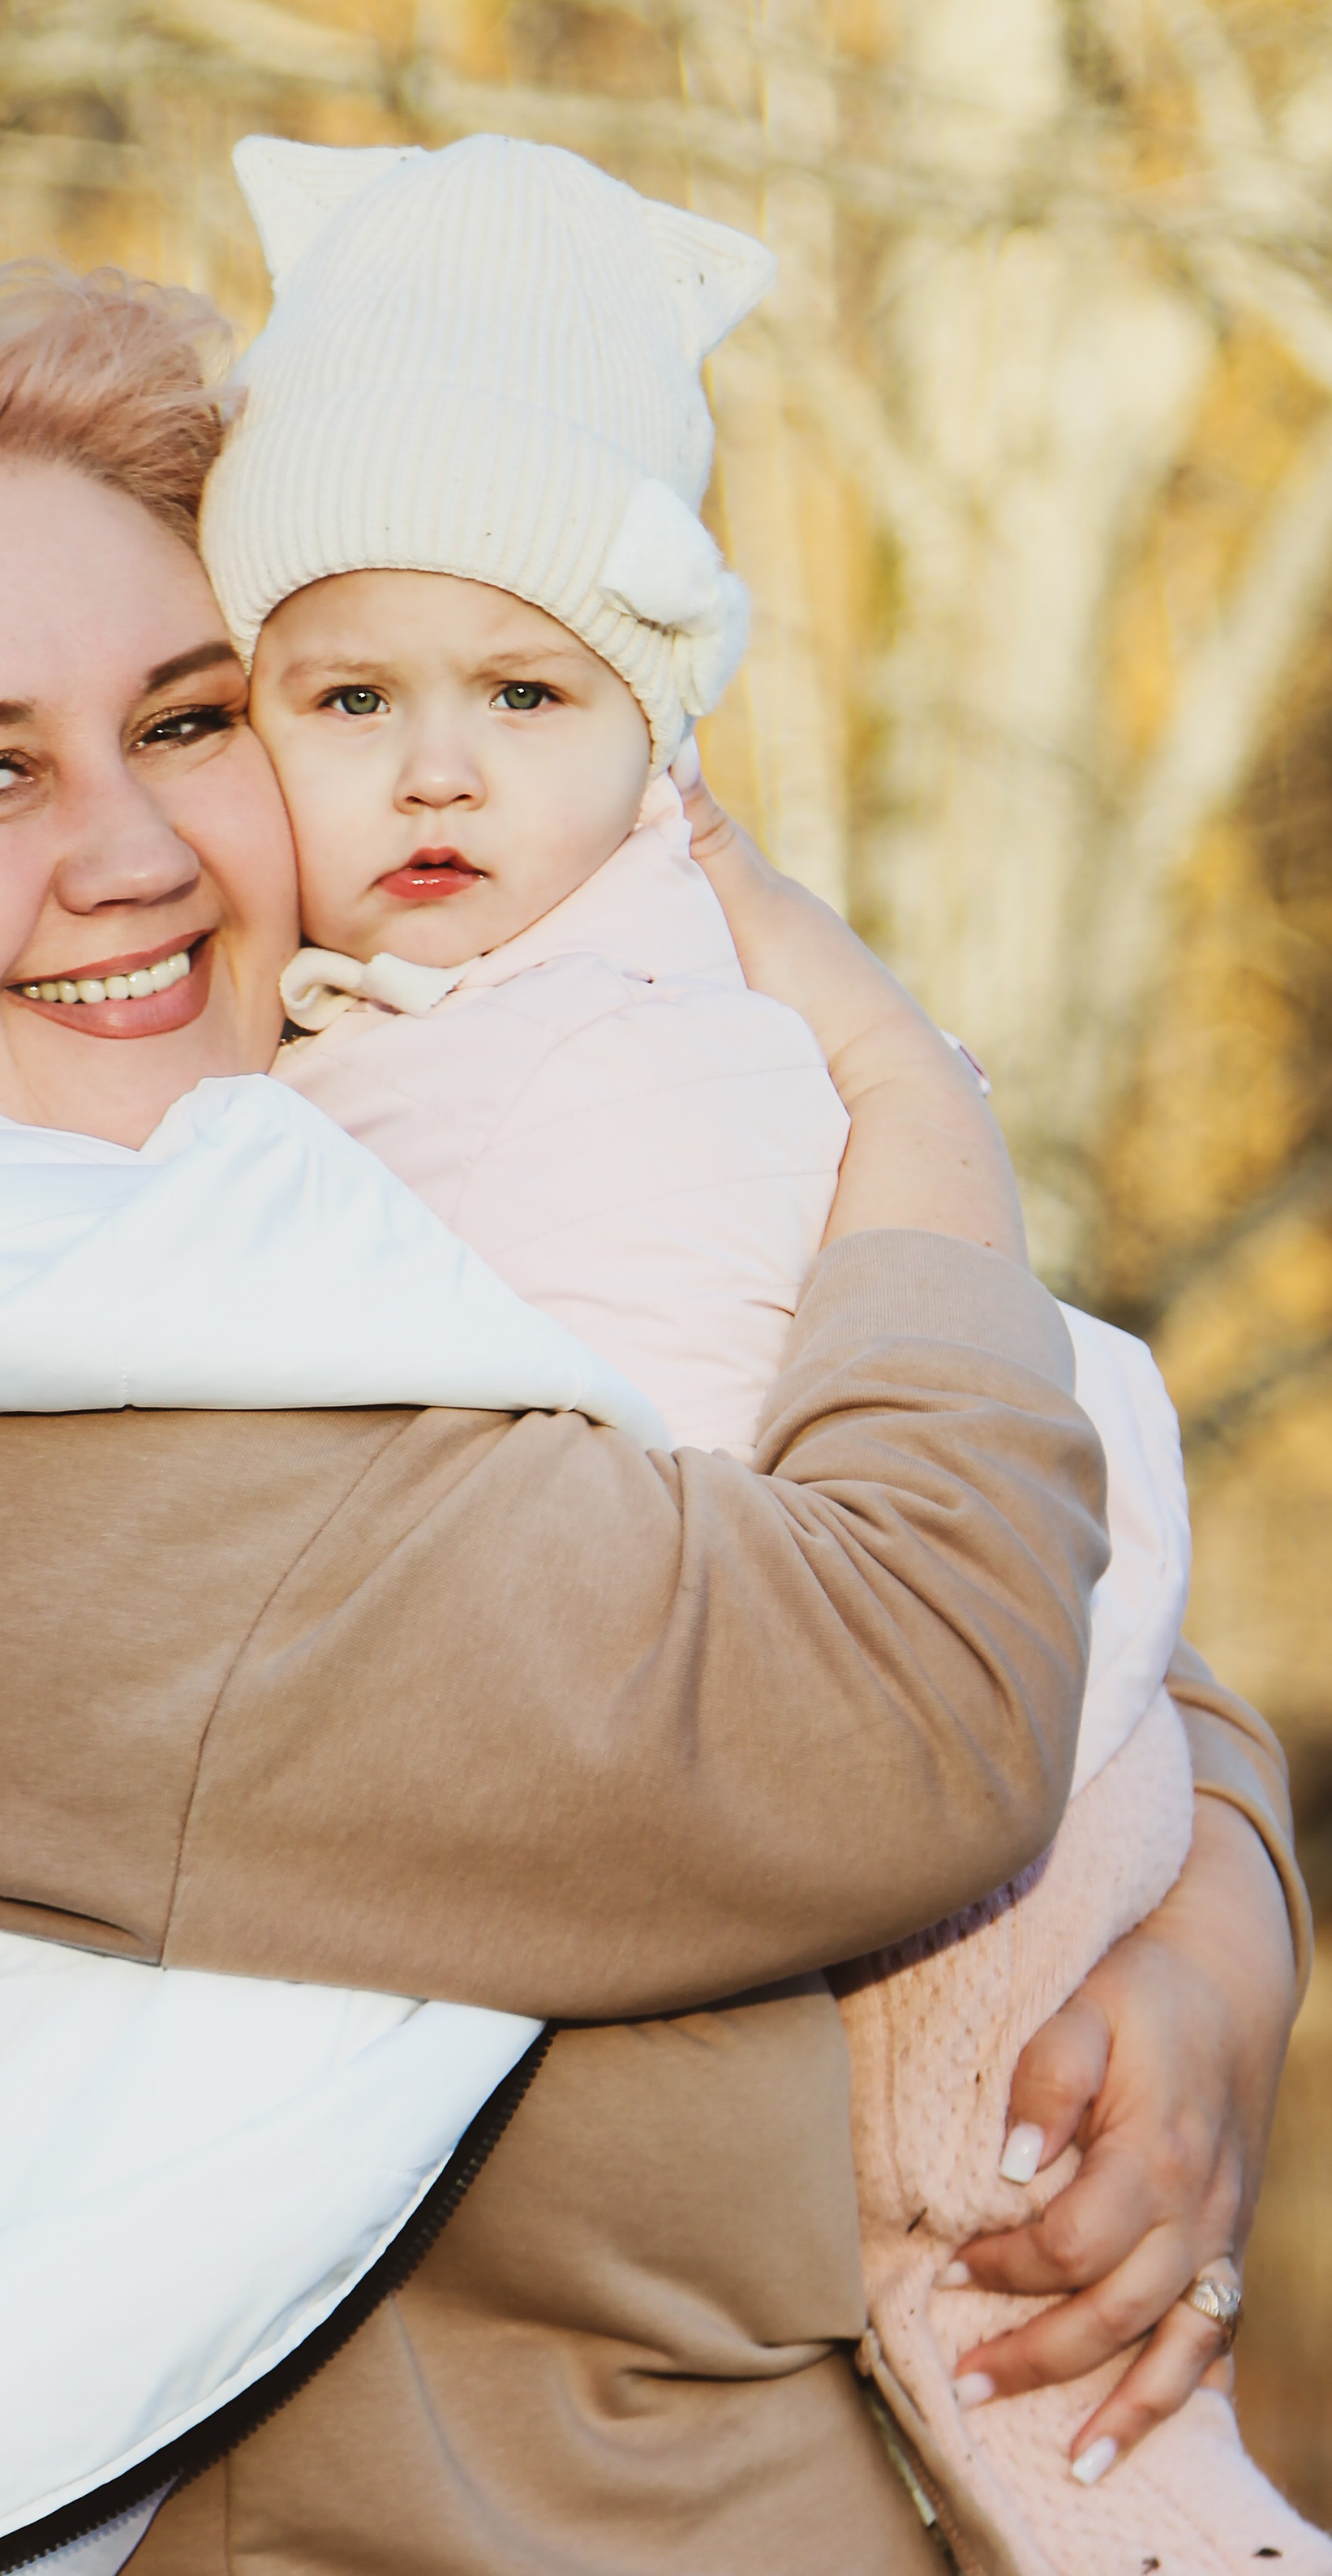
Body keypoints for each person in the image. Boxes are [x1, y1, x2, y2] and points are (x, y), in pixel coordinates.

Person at [0, 263, 1306, 2576]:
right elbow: (919, 1696)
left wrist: (1222, 1946)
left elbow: (1045, 1587)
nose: (136, 850)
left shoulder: (208, 1256)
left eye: (187, 720)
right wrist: (896, 1077)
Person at [204, 128, 1323, 2567]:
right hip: (924, 1740)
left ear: (660, 736)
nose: (434, 765)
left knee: (1009, 2276)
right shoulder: (360, 1038)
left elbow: (749, 1543)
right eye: (345, 693)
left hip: (975, 1769)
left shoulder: (652, 1027)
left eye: (525, 689)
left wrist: (1228, 1931)